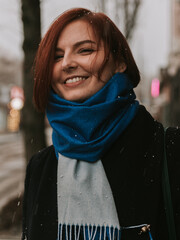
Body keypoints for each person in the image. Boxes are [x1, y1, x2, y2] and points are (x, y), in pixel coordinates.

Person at [22, 8, 180, 240]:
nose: (66, 63)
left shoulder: (170, 151)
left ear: (119, 62)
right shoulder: (39, 167)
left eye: (85, 50)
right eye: (56, 56)